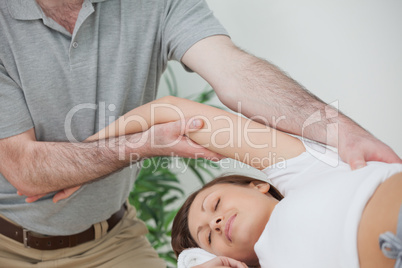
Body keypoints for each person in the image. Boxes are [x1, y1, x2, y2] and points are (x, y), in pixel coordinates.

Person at [0, 0, 400, 266]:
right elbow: (23, 168)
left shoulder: (303, 167)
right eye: (209, 236)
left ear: (256, 185)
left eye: (214, 203)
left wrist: (343, 131)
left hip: (111, 236)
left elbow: (205, 93)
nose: (217, 222)